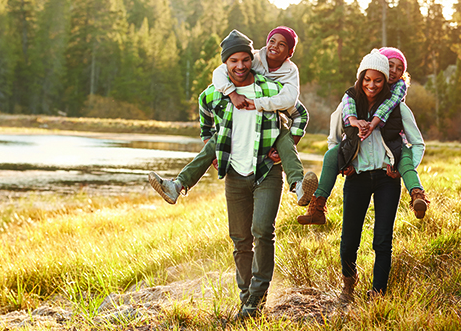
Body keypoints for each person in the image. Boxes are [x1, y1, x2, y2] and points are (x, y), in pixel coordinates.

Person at [189, 30, 299, 318]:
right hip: (236, 173)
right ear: (225, 64)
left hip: (267, 170)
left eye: (245, 59)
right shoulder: (217, 91)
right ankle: (247, 299)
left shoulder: (269, 88)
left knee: (262, 231)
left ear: (253, 60)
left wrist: (290, 140)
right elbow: (204, 112)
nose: (240, 66)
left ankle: (257, 297)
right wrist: (209, 143)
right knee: (240, 240)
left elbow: (300, 112)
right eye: (233, 60)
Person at [148, 26, 317, 207]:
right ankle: (177, 186)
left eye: (282, 44)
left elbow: (293, 102)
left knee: (285, 139)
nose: (274, 46)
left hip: (273, 123)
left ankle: (299, 186)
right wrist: (232, 94)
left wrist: (288, 142)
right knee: (216, 140)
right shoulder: (253, 59)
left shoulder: (289, 73)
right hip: (238, 124)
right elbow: (219, 73)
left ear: (290, 52)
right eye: (272, 41)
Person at [326, 49, 425, 300]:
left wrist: (402, 167)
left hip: (386, 180)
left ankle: (378, 292)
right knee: (349, 239)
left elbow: (418, 144)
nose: (372, 85)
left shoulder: (398, 109)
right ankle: (349, 283)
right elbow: (332, 140)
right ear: (361, 79)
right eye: (367, 80)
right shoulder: (348, 106)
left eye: (378, 80)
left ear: (385, 82)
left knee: (382, 239)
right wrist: (343, 163)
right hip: (356, 178)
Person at [297, 47, 430, 225]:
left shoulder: (397, 96)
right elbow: (336, 131)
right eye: (390, 65)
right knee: (331, 156)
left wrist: (373, 123)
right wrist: (345, 161)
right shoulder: (352, 96)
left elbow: (390, 109)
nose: (394, 72)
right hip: (358, 161)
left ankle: (417, 195)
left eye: (399, 69)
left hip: (392, 148)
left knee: (405, 159)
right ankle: (317, 205)